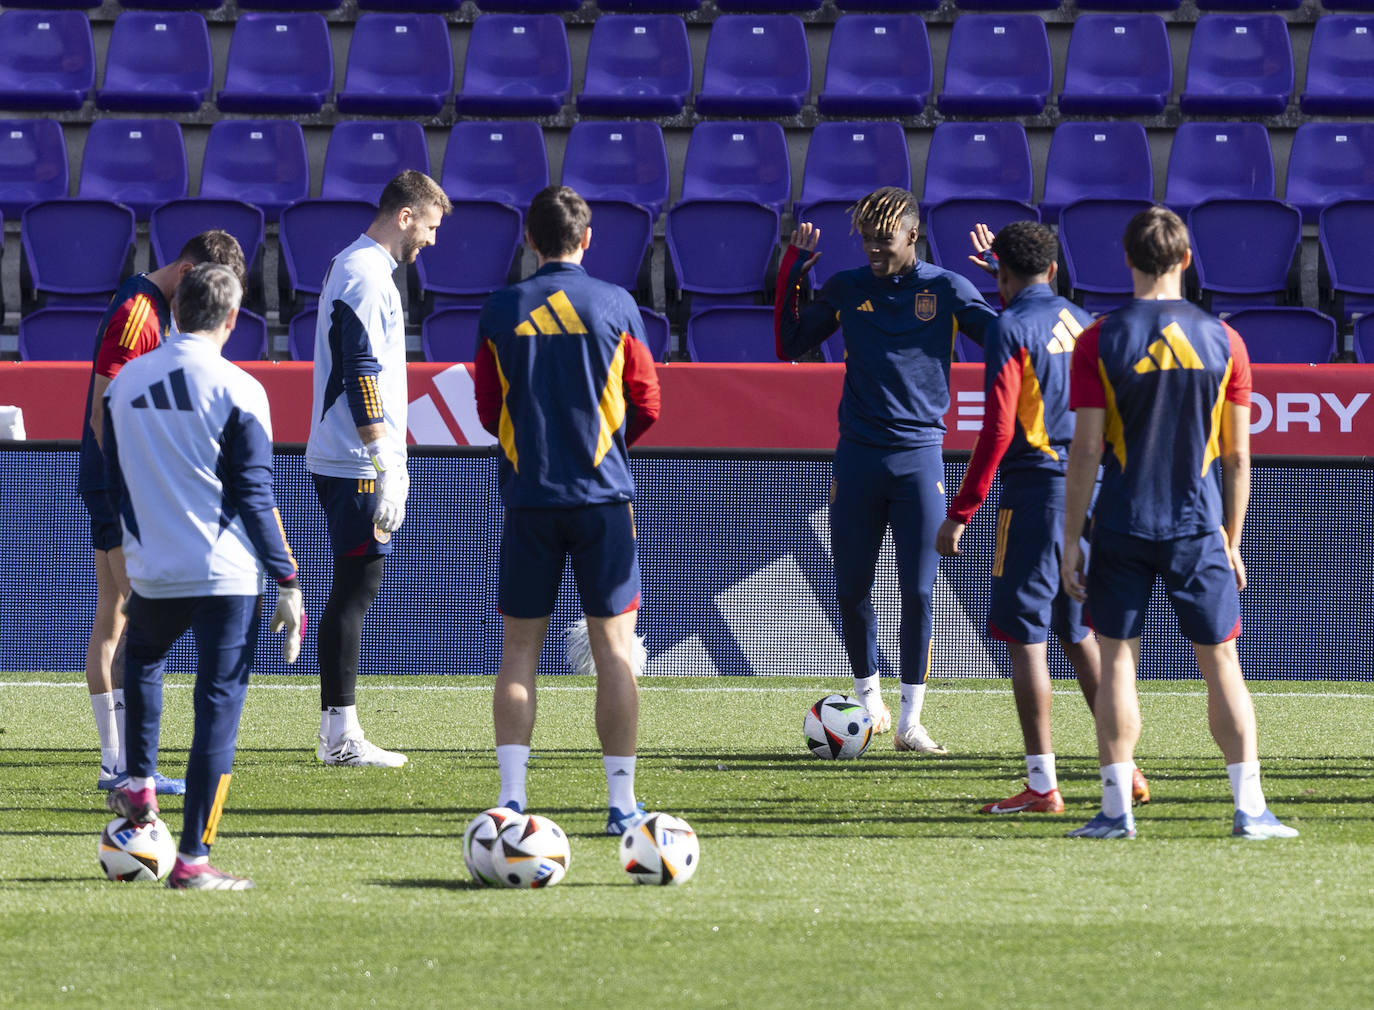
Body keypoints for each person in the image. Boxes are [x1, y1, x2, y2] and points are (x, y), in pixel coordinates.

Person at [1061, 206, 1296, 840]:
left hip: (1120, 521)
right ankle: (1250, 810)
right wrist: (1232, 538)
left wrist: (1069, 539)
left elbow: (1083, 451)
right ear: (1187, 260)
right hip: (1197, 526)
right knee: (1222, 662)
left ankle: (1117, 811)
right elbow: (1240, 455)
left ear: (1127, 259)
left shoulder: (1098, 338)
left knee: (1117, 663)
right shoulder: (1228, 340)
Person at [937, 222, 1150, 814]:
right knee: (1077, 629)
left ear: (1002, 275)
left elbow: (1000, 428)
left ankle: (1041, 784)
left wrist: (962, 510)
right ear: (1054, 269)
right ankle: (1125, 767)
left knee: (1023, 635)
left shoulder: (1008, 325)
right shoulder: (1084, 320)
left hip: (1035, 491)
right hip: (1096, 488)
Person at [775, 187, 996, 753]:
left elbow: (1007, 339)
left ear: (912, 236)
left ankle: (910, 722)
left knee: (919, 593)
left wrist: (1008, 277)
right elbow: (790, 344)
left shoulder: (946, 288)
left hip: (920, 456)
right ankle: (868, 700)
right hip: (858, 457)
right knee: (851, 588)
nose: (874, 248)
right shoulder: (848, 288)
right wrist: (793, 272)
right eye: (868, 239)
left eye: (884, 239)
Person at [103, 263, 303, 889]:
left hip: (154, 565)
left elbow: (115, 478)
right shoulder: (241, 388)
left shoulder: (123, 383)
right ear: (232, 318)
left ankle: (137, 787)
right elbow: (254, 492)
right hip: (226, 571)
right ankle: (192, 859)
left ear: (176, 310)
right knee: (216, 707)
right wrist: (289, 579)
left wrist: (137, 546)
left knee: (142, 663)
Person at [473, 186, 661, 835]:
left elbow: (487, 408)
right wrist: (601, 450)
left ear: (528, 240)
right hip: (603, 500)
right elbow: (648, 400)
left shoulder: (500, 309)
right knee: (614, 651)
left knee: (519, 652)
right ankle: (620, 805)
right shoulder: (615, 303)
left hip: (530, 500)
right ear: (587, 240)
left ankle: (512, 800)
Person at [78, 231, 248, 794]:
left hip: (114, 481)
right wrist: (131, 484)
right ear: (184, 268)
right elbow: (108, 406)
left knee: (117, 612)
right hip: (115, 482)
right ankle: (126, 767)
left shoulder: (152, 308)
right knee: (131, 616)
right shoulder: (136, 311)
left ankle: (117, 761)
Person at [305, 170, 451, 767]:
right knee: (356, 587)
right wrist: (384, 459)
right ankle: (340, 736)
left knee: (356, 585)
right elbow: (360, 370)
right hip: (353, 458)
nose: (433, 242)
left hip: (351, 454)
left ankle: (338, 730)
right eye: (431, 227)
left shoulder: (362, 268)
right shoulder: (365, 274)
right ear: (405, 216)